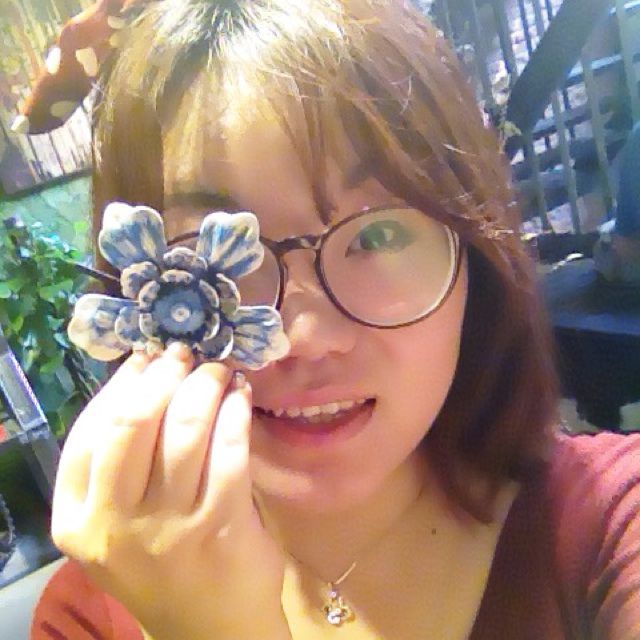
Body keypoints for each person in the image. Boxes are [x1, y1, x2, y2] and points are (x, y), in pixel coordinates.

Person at [26, 1, 640, 638]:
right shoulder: (84, 618)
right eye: (222, 252)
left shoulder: (610, 523)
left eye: (376, 236)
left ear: (473, 259)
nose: (304, 338)